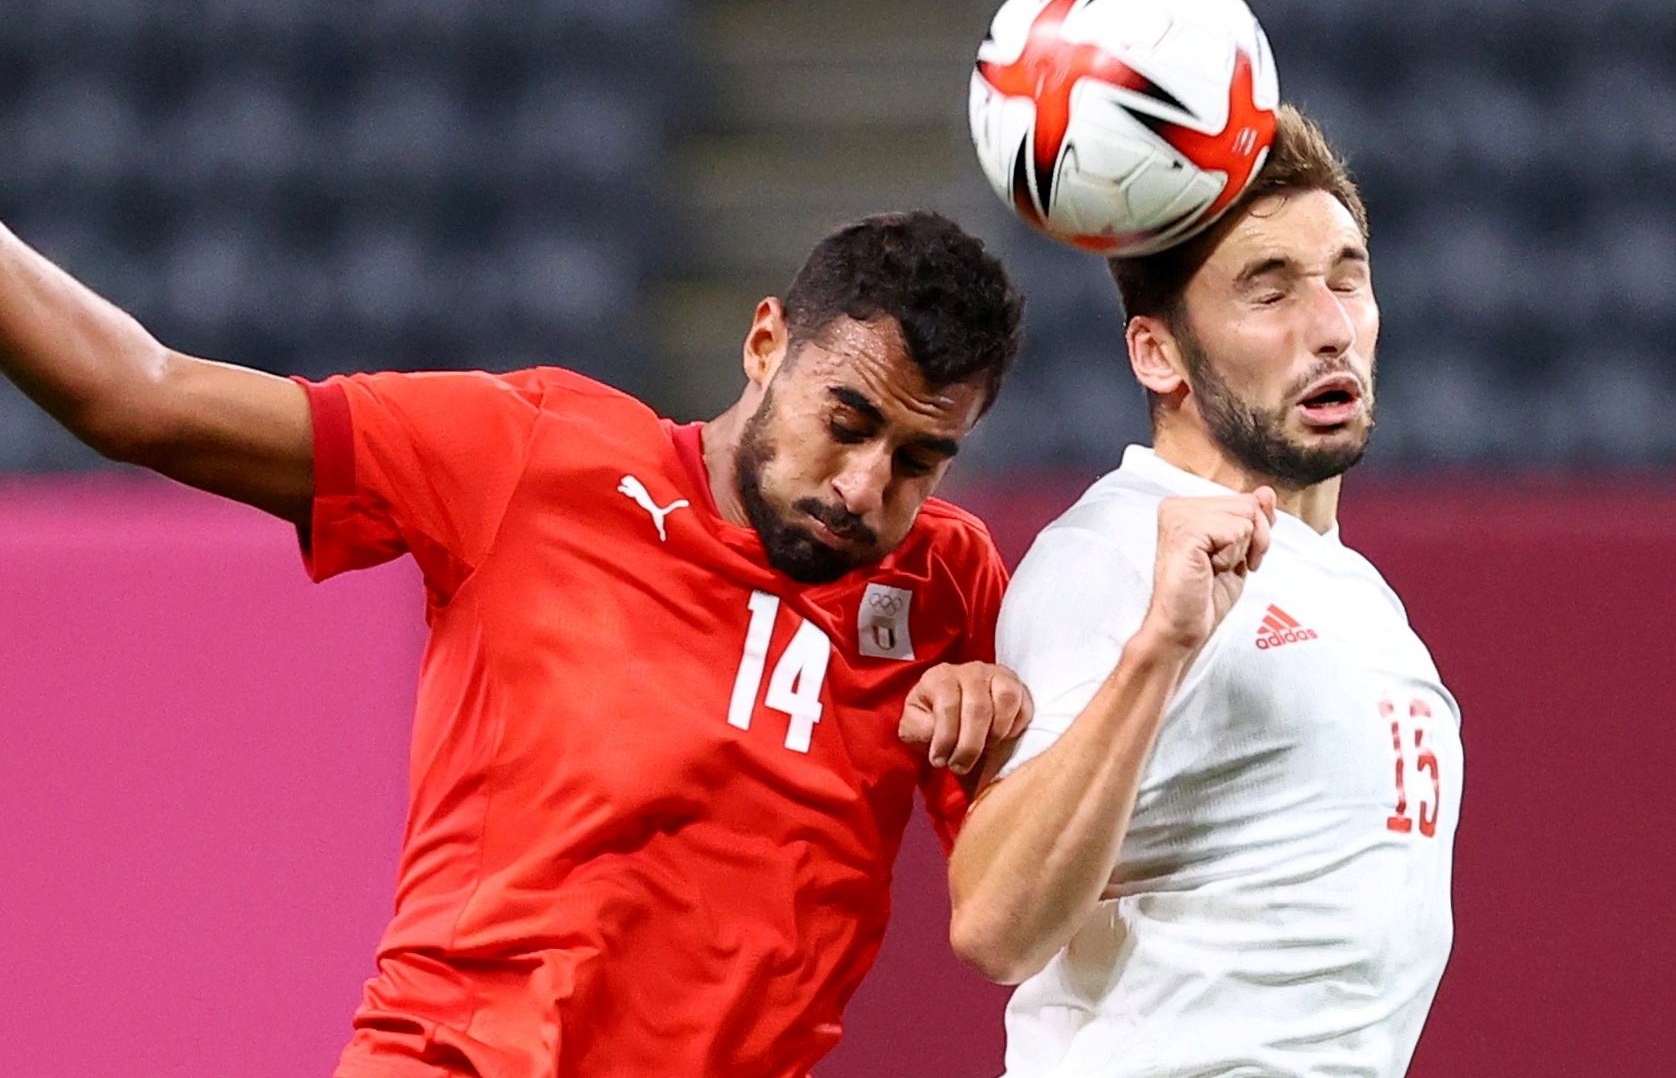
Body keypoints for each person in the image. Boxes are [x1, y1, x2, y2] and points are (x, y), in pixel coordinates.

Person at [0, 208, 1034, 1078]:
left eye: (919, 459)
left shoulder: (944, 584)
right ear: (765, 343)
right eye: (845, 421)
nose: (864, 488)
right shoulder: (532, 454)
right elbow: (138, 398)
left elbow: (1015, 913)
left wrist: (1014, 713)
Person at [948, 107, 1462, 1078]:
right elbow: (994, 924)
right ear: (1158, 354)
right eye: (1266, 294)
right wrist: (1155, 652)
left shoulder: (1352, 590)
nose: (1328, 328)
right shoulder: (1116, 555)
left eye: (1345, 279)